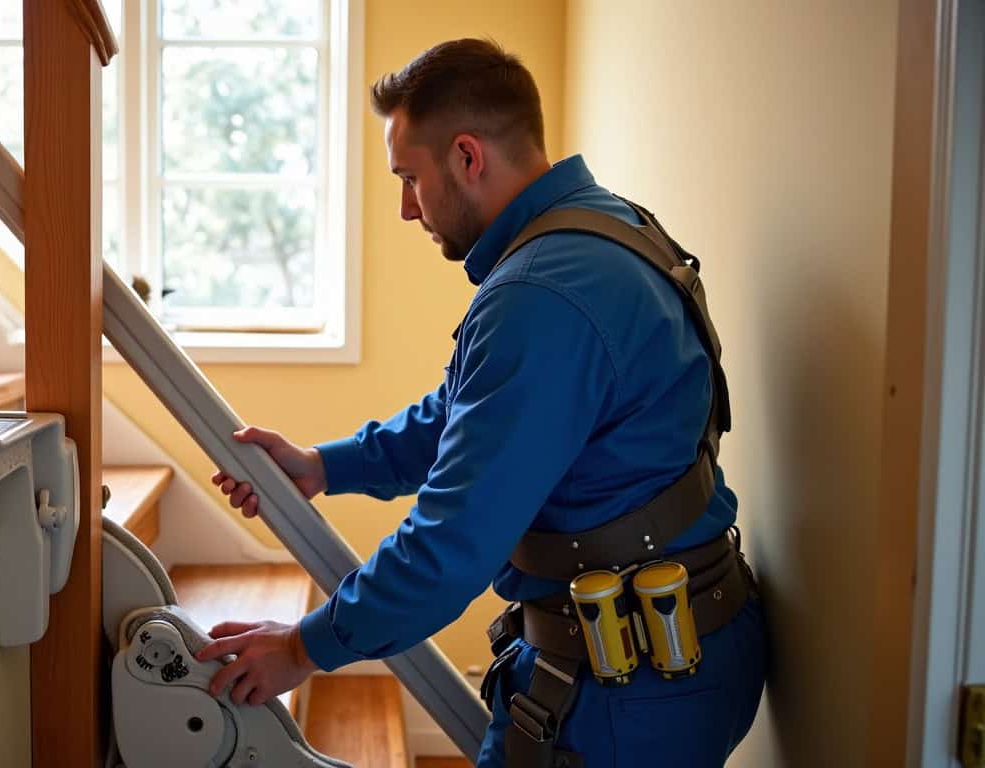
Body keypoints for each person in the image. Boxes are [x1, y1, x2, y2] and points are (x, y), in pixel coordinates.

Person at [194, 38, 768, 767]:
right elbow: (465, 411)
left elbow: (449, 547)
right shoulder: (605, 228)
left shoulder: (539, 294)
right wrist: (324, 466)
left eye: (410, 178)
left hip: (631, 692)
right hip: (681, 646)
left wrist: (303, 648)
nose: (407, 209)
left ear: (467, 157)